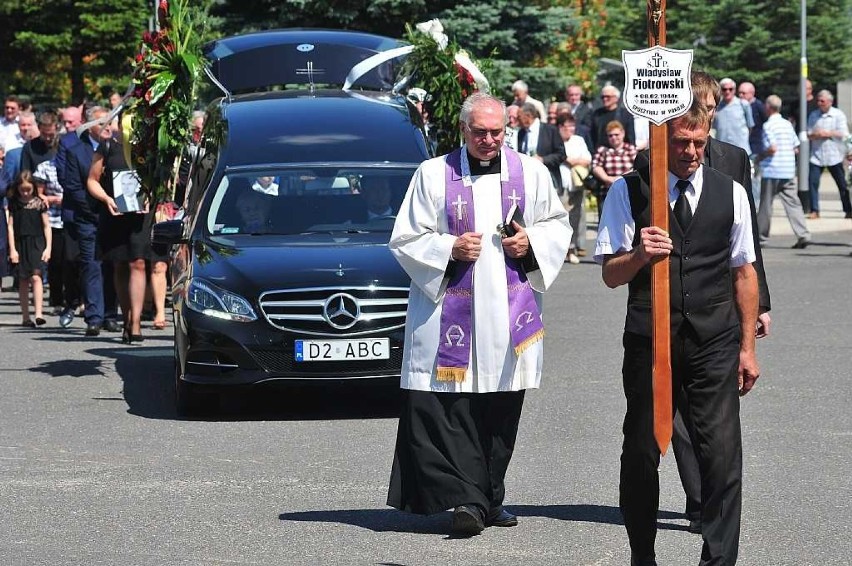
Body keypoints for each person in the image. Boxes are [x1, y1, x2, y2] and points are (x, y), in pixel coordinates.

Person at [386, 92, 571, 536]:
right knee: (456, 409)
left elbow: (557, 225)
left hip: (511, 318)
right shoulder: (433, 174)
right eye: (480, 132)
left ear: (507, 128)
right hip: (451, 317)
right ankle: (467, 501)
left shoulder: (531, 172)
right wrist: (448, 247)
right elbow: (405, 238)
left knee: (503, 407)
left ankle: (492, 497)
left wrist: (530, 243)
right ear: (463, 130)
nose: (489, 140)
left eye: (497, 132)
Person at [595, 103, 759, 565]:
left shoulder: (731, 193)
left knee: (722, 454)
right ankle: (642, 555)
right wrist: (640, 255)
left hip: (714, 338)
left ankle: (718, 560)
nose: (690, 152)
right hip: (650, 339)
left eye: (699, 143)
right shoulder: (629, 192)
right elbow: (610, 274)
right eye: (681, 142)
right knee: (643, 449)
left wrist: (747, 347)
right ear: (660, 141)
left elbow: (744, 272)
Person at [633, 69, 772, 535]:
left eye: (711, 108)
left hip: (716, 311)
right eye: (697, 105)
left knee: (717, 428)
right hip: (661, 313)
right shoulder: (646, 163)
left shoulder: (733, 161)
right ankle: (695, 496)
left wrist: (758, 311)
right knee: (666, 417)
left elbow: (745, 253)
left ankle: (713, 514)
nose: (705, 113)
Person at [56, 105, 110, 336]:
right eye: (102, 122)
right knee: (92, 265)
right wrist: (93, 210)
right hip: (87, 217)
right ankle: (94, 317)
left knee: (112, 265)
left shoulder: (117, 149)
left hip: (114, 217)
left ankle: (111, 315)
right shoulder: (75, 151)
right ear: (89, 127)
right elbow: (72, 186)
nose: (108, 126)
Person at [756, 94, 811, 248]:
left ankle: (761, 237)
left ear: (768, 107)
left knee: (766, 205)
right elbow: (796, 147)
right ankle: (803, 234)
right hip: (788, 170)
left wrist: (761, 156)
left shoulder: (768, 126)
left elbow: (772, 148)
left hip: (772, 170)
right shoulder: (787, 124)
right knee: (793, 204)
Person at [7, 171, 51, 327]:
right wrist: (12, 249)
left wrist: (48, 248)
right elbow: (10, 227)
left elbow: (47, 226)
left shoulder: (39, 203)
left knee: (36, 277)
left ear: (33, 188)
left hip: (37, 242)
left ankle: (39, 313)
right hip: (20, 243)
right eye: (22, 190)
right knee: (23, 279)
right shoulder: (15, 204)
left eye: (28, 190)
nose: (25, 193)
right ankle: (26, 316)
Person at [806, 89, 851, 219]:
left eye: (823, 101)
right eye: (818, 100)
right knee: (813, 183)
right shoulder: (814, 115)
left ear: (830, 102)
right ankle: (815, 210)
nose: (820, 103)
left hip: (834, 155)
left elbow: (844, 134)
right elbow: (809, 134)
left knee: (842, 184)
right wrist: (816, 134)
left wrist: (828, 133)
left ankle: (848, 209)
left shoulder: (838, 114)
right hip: (817, 155)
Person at [556, 113, 592, 264]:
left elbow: (587, 159)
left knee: (575, 217)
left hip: (576, 184)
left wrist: (572, 160)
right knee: (559, 217)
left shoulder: (578, 140)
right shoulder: (555, 140)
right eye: (566, 126)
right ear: (559, 127)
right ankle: (559, 249)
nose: (570, 129)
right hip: (559, 184)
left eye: (572, 126)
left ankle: (571, 248)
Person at [516, 102, 566, 191]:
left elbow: (561, 154)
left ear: (528, 116)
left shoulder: (550, 131)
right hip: (529, 183)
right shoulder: (521, 133)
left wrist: (543, 159)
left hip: (549, 181)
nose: (517, 121)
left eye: (519, 117)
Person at [591, 120, 637, 210]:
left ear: (623, 133)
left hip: (627, 191)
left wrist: (621, 179)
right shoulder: (602, 150)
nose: (613, 137)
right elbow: (596, 166)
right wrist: (608, 179)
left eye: (616, 135)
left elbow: (637, 167)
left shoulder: (630, 149)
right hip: (607, 191)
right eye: (610, 135)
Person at [713, 78, 753, 155]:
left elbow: (750, 126)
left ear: (734, 90)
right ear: (720, 90)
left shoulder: (743, 104)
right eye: (724, 89)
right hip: (723, 151)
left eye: (730, 89)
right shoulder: (716, 106)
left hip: (741, 150)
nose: (727, 91)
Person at [589, 85, 635, 151]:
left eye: (608, 97)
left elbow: (631, 137)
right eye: (603, 97)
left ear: (616, 98)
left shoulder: (625, 115)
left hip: (621, 153)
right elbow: (592, 136)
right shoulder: (597, 114)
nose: (605, 99)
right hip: (601, 152)